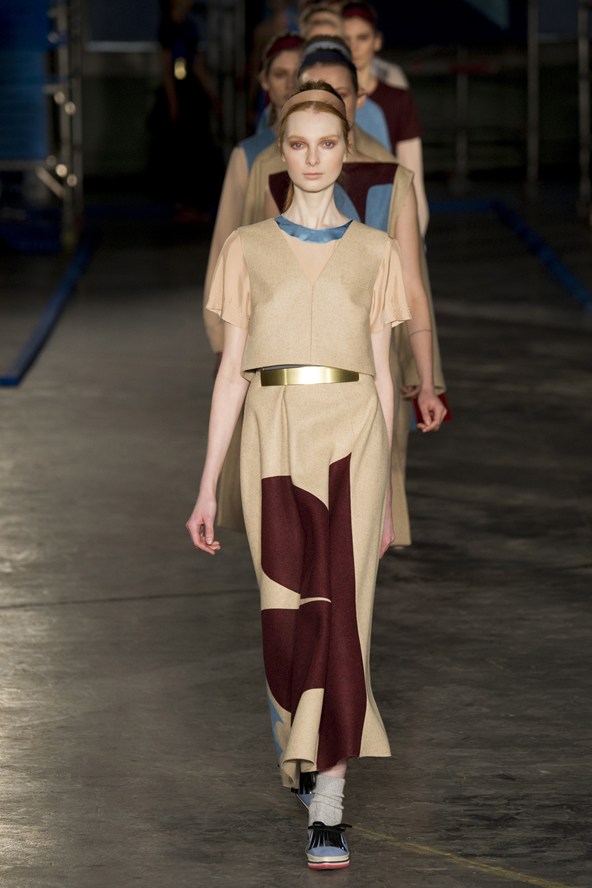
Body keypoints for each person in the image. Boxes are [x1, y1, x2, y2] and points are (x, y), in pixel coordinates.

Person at [187, 81, 446, 870]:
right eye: (297, 144)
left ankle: (328, 801)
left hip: (352, 440)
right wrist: (206, 485)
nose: (311, 158)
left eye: (326, 143)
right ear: (282, 150)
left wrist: (389, 493)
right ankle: (302, 746)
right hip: (271, 438)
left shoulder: (375, 253)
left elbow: (382, 376)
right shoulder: (246, 249)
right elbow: (231, 374)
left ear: (346, 150)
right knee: (286, 613)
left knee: (343, 616)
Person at [203, 32, 304, 360]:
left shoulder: (340, 148)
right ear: (264, 81)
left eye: (299, 73)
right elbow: (225, 245)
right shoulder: (249, 155)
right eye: (280, 74)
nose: (290, 84)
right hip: (261, 322)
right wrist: (219, 335)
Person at [342, 1, 430, 235]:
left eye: (362, 37)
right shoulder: (325, 99)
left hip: (386, 219)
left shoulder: (397, 100)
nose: (353, 47)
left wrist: (416, 239)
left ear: (377, 41)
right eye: (345, 38)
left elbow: (412, 177)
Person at [148, 0, 223, 219]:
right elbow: (167, 68)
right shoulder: (168, 27)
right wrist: (173, 103)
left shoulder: (190, 26)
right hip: (178, 92)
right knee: (180, 147)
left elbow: (197, 64)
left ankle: (196, 201)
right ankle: (182, 202)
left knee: (198, 145)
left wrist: (211, 94)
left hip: (192, 92)